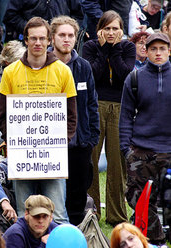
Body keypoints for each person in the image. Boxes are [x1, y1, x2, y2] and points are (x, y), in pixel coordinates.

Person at [0, 16, 77, 224]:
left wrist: (60, 144)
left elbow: (71, 116)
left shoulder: (63, 71)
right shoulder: (10, 72)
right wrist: (13, 143)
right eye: (33, 38)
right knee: (25, 213)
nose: (38, 43)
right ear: (26, 40)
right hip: (21, 154)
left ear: (50, 40)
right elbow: (3, 116)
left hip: (53, 154)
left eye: (42, 38)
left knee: (58, 213)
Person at [82, 10, 136, 225]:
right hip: (96, 105)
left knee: (117, 163)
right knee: (91, 161)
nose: (112, 33)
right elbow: (92, 75)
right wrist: (104, 50)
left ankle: (116, 215)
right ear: (99, 30)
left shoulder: (128, 47)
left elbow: (126, 75)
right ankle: (91, 211)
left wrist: (114, 51)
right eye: (107, 28)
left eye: (115, 28)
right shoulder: (90, 47)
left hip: (120, 107)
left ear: (122, 30)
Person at [119, 32, 171, 246]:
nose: (158, 53)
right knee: (139, 201)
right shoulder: (135, 78)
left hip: (169, 150)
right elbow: (125, 116)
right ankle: (155, 242)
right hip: (141, 151)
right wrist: (126, 149)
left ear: (169, 50)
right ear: (146, 51)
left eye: (162, 49)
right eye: (153, 49)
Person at [49, 15, 100, 226]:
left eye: (71, 35)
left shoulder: (84, 66)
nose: (66, 39)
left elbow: (91, 103)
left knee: (77, 196)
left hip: (80, 143)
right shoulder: (45, 66)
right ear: (52, 38)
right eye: (62, 35)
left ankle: (76, 235)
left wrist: (91, 137)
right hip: (50, 143)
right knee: (52, 196)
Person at [3, 0, 83, 42]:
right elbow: (11, 15)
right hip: (31, 42)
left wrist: (65, 31)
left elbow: (78, 15)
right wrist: (30, 29)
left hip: (61, 43)